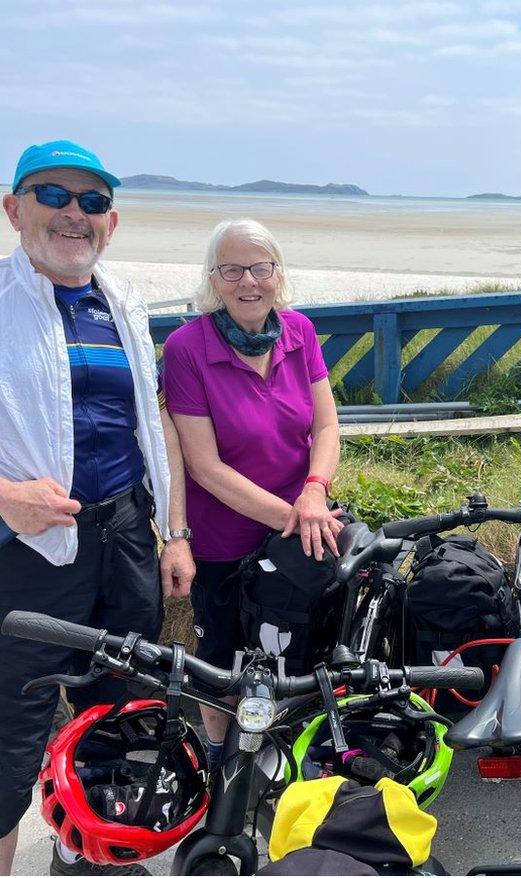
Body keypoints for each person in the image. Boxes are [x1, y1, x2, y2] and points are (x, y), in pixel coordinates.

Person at [0, 140, 195, 876]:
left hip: (124, 536)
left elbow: (153, 419)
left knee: (118, 710)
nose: (73, 213)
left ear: (111, 223)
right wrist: (5, 496)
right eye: (52, 195)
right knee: (9, 730)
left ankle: (91, 856)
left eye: (92, 201)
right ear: (14, 209)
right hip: (25, 550)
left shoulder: (122, 301)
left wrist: (172, 532)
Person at [162, 218, 343, 769]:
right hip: (226, 538)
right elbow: (205, 465)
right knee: (222, 656)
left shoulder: (299, 332)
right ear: (213, 280)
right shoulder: (186, 347)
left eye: (260, 268)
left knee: (300, 643)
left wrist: (314, 492)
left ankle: (283, 749)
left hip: (298, 527)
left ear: (277, 274)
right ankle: (221, 758)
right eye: (233, 269)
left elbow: (328, 427)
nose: (249, 281)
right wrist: (298, 515)